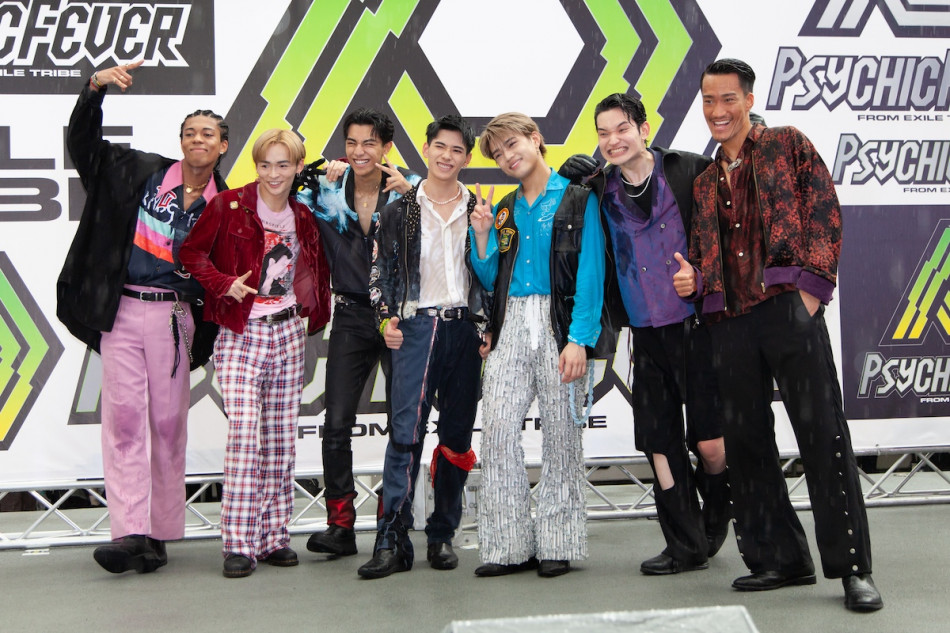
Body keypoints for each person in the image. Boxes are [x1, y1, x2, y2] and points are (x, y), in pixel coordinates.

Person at [676, 58, 883, 612]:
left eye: (728, 99)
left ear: (748, 99)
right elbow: (701, 255)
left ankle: (853, 569)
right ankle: (780, 559)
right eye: (709, 101)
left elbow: (825, 214)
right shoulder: (703, 182)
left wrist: (809, 293)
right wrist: (695, 281)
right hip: (729, 323)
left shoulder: (787, 144)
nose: (718, 111)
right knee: (746, 445)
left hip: (788, 311)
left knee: (823, 436)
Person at [57, 60, 228, 574]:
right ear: (181, 141)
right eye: (190, 132)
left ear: (223, 146)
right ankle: (129, 531)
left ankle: (159, 534)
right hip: (124, 310)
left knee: (168, 424)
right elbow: (83, 144)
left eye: (208, 134)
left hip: (176, 319)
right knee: (125, 421)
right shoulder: (136, 170)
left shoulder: (226, 207)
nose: (198, 139)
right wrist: (94, 89)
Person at [578, 93, 731, 575]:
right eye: (603, 133)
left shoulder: (690, 171)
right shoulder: (598, 189)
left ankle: (714, 517)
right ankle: (684, 543)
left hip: (697, 326)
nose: (613, 140)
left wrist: (702, 277)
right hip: (644, 331)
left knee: (711, 444)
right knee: (659, 441)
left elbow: (729, 236)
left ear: (644, 129)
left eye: (622, 128)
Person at [179, 129, 331, 578]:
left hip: (288, 333)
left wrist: (313, 309)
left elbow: (315, 266)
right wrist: (224, 283)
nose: (273, 174)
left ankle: (273, 537)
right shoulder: (229, 205)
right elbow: (191, 252)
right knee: (246, 434)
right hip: (240, 332)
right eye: (265, 165)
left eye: (283, 165)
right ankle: (239, 544)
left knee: (280, 439)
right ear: (256, 166)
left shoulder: (303, 215)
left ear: (298, 168)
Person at [469, 113, 605, 578]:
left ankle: (557, 543)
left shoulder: (579, 199)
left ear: (535, 138)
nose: (507, 157)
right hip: (511, 323)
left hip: (560, 324)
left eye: (512, 144)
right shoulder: (504, 208)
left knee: (563, 436)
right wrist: (482, 236)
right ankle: (507, 545)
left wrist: (579, 340)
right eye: (498, 153)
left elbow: (591, 273)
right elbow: (492, 278)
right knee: (498, 429)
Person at [355, 115, 491, 579]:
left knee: (456, 437)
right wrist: (385, 319)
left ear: (466, 159)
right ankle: (391, 541)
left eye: (457, 150)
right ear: (427, 149)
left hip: (465, 331)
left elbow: (492, 275)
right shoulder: (399, 210)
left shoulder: (480, 209)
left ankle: (442, 534)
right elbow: (378, 274)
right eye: (440, 147)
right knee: (405, 435)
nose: (446, 156)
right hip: (416, 330)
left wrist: (488, 325)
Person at [296, 108, 420, 557]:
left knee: (405, 424)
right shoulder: (326, 188)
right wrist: (310, 175)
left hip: (400, 318)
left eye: (369, 142)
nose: (359, 151)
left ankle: (393, 523)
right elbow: (278, 193)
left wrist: (414, 199)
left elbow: (445, 237)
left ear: (386, 146)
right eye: (351, 142)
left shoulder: (410, 189)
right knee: (336, 423)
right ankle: (340, 526)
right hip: (350, 313)